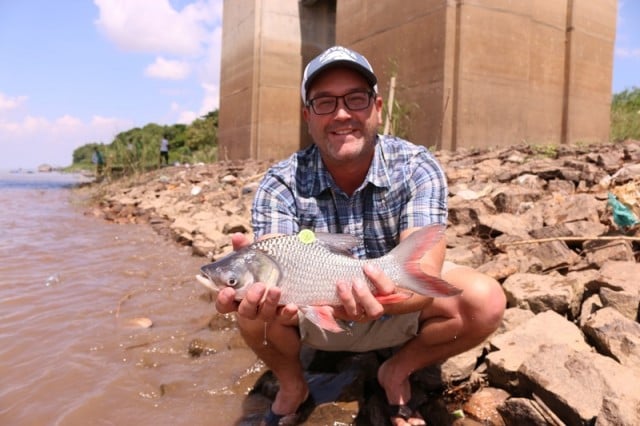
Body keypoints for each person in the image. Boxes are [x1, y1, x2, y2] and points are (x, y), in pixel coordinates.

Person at [215, 45, 506, 426]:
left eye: (356, 98)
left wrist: (380, 297)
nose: (341, 113)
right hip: (314, 314)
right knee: (251, 309)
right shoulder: (279, 184)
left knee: (485, 301)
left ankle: (397, 371)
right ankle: (293, 386)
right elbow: (275, 258)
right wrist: (257, 284)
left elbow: (423, 273)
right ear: (307, 115)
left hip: (397, 304)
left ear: (377, 107)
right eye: (323, 102)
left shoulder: (417, 167)